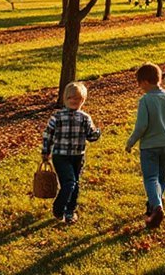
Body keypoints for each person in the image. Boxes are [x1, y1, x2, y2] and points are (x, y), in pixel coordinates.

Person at [126, 62, 165, 229]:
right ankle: (154, 203)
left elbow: (142, 126)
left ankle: (156, 207)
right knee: (163, 176)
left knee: (151, 178)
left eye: (139, 84)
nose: (139, 87)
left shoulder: (145, 100)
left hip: (150, 146)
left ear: (145, 82)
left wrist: (131, 142)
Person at [42, 82, 102, 224]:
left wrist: (97, 132)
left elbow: (91, 136)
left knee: (75, 184)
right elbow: (48, 135)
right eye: (70, 98)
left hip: (78, 156)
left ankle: (70, 211)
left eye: (77, 99)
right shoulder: (57, 117)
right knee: (69, 183)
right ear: (65, 99)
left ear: (83, 100)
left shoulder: (84, 118)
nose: (73, 101)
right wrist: (46, 151)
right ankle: (58, 208)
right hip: (61, 156)